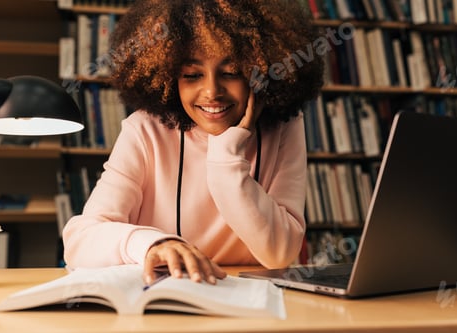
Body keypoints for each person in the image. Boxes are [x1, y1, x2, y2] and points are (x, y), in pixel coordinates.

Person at [63, 0, 324, 286]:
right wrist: (154, 244)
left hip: (251, 306)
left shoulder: (285, 129)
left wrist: (226, 156)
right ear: (169, 77)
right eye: (192, 75)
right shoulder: (145, 130)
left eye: (232, 72)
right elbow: (80, 240)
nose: (211, 91)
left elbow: (279, 253)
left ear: (260, 72)